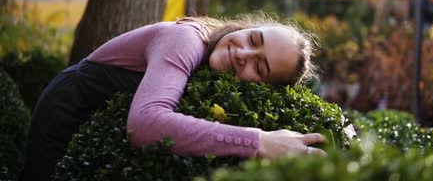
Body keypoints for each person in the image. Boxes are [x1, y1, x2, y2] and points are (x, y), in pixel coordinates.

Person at [20, 14, 327, 181]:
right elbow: (145, 125)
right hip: (66, 115)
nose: (243, 53)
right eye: (253, 38)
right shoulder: (186, 39)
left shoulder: (215, 73)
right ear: (248, 27)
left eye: (260, 67)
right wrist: (259, 141)